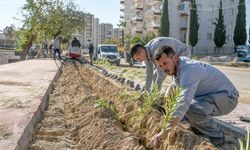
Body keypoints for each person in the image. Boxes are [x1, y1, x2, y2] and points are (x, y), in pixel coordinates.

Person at [153, 46, 239, 147]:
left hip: (228, 98)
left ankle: (217, 136)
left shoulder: (189, 70)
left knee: (189, 108)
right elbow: (173, 87)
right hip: (210, 96)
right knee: (180, 109)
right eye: (160, 66)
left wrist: (164, 132)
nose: (163, 69)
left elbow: (183, 103)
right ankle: (200, 127)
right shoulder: (178, 65)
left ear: (175, 58)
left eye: (165, 63)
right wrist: (166, 106)